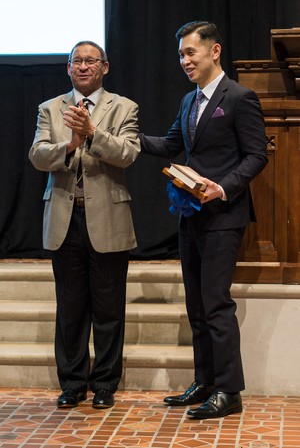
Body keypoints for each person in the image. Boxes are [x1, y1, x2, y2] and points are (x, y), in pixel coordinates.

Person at [139, 21, 268, 419]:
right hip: (190, 217)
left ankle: (230, 391)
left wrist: (223, 188)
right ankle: (205, 381)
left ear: (214, 51)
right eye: (180, 54)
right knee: (196, 306)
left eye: (190, 52)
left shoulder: (241, 97)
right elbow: (171, 144)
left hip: (224, 217)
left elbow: (257, 155)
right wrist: (128, 139)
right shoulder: (188, 101)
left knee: (216, 305)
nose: (184, 61)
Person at [29, 41, 140, 409]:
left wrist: (92, 133)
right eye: (76, 61)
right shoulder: (49, 108)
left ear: (104, 67)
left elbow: (128, 154)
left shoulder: (124, 106)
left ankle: (105, 384)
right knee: (71, 308)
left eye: (90, 61)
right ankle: (73, 383)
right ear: (68, 68)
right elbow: (37, 155)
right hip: (65, 217)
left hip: (108, 216)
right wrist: (69, 145)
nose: (83, 67)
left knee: (109, 308)